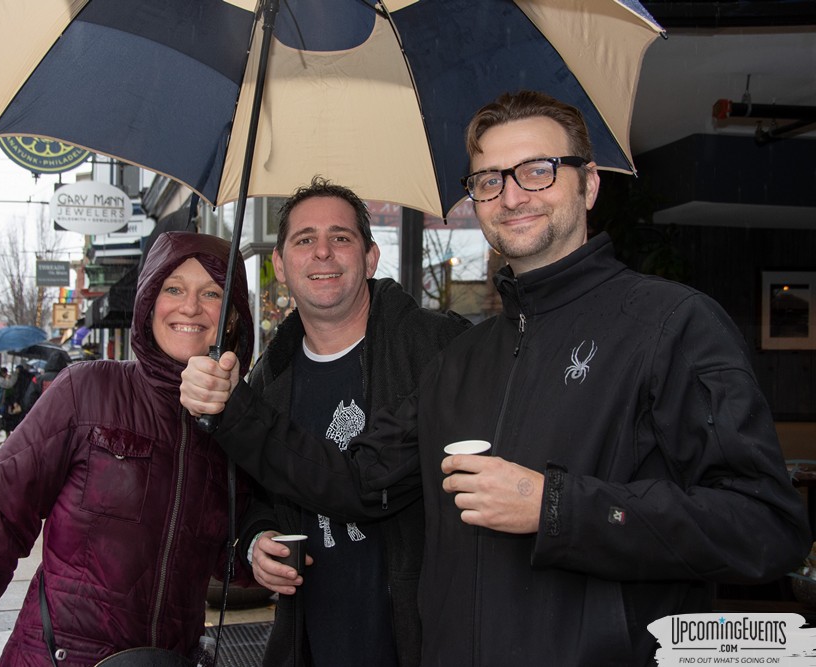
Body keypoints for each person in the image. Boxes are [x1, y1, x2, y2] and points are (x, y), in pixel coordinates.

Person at [180, 91, 811, 665]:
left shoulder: (671, 325)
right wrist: (232, 410)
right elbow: (353, 481)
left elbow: (763, 526)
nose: (512, 195)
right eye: (489, 180)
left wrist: (556, 507)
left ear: (588, 185)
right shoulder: (462, 358)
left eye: (538, 170)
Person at [0, 231, 256, 666]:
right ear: (150, 301)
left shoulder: (237, 426)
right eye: (174, 288)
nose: (190, 306)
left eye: (211, 293)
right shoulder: (88, 388)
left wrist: (259, 548)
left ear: (231, 319)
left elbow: (232, 556)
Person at [187, 177, 467, 667]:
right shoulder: (268, 377)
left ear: (371, 258)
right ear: (280, 265)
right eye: (304, 239)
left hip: (420, 643)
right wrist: (257, 541)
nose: (322, 253)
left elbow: (367, 485)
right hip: (311, 642)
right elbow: (256, 494)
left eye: (340, 237)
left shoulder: (435, 350)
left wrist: (234, 411)